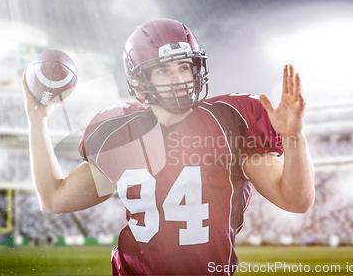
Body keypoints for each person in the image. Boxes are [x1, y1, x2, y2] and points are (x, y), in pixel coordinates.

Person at [23, 18, 315, 275]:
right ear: (141, 78)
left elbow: (295, 200)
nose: (178, 79)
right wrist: (36, 120)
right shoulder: (122, 132)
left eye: (184, 67)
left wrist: (293, 139)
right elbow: (54, 198)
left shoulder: (232, 121)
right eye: (163, 71)